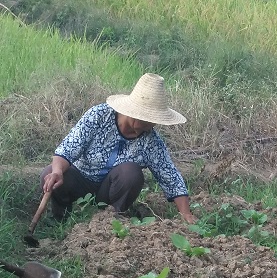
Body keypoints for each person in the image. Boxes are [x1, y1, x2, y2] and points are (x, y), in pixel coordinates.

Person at [40, 73, 195, 223]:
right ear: (136, 114)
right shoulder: (99, 115)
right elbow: (68, 148)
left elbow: (170, 176)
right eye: (149, 120)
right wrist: (57, 171)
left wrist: (186, 213)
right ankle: (59, 218)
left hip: (109, 191)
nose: (151, 126)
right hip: (81, 180)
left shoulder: (151, 141)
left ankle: (112, 219)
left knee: (131, 173)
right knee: (49, 172)